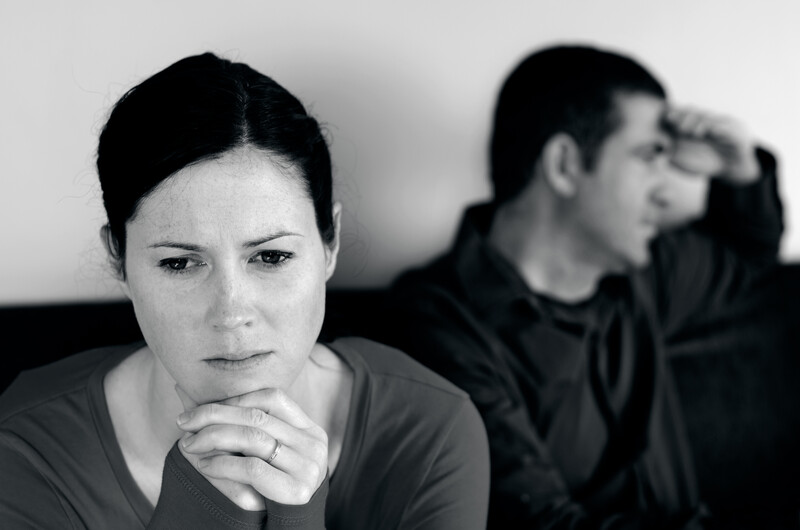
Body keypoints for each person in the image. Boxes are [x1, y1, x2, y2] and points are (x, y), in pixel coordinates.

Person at [0, 52, 490, 529]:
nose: (231, 313)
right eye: (179, 263)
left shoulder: (431, 432)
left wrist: (296, 518)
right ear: (118, 260)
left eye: (271, 257)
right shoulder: (27, 448)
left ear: (330, 243)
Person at [380, 45, 784, 528]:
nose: (667, 189)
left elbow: (745, 256)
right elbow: (547, 524)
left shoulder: (641, 274)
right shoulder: (438, 325)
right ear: (566, 165)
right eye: (650, 156)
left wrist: (739, 168)